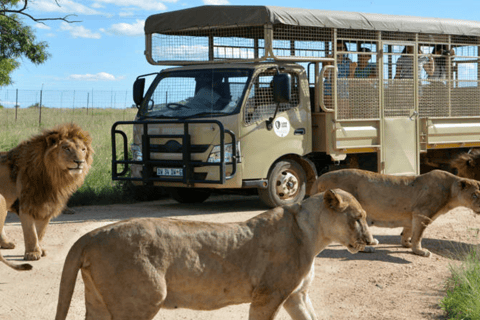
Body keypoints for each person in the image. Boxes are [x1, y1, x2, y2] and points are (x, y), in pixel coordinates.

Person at [324, 41, 356, 110]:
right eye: (337, 48)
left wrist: (353, 70)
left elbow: (350, 80)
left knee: (343, 110)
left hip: (343, 87)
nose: (339, 50)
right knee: (329, 110)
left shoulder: (348, 61)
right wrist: (329, 62)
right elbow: (325, 75)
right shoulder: (329, 59)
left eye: (341, 48)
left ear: (345, 49)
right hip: (329, 87)